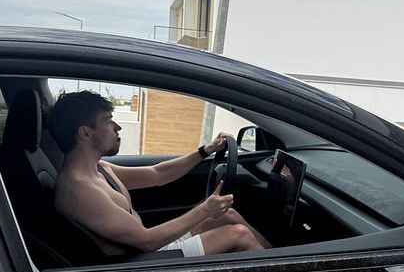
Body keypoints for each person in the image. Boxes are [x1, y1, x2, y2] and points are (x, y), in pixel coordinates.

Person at [49, 90, 267, 257]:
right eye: (108, 121)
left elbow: (157, 174)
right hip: (142, 263)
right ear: (85, 133)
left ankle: (282, 261)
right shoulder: (78, 190)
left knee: (228, 215)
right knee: (239, 234)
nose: (117, 127)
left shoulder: (99, 169)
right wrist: (204, 210)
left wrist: (205, 151)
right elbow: (146, 241)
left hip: (149, 247)